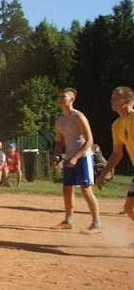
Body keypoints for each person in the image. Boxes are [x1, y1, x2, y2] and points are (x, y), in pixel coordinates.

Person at [50, 87, 101, 234]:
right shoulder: (59, 121)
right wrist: (57, 155)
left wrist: (76, 157)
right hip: (69, 157)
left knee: (86, 189)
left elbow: (90, 140)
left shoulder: (78, 116)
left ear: (71, 99)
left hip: (84, 157)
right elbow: (60, 141)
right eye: (59, 96)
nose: (60, 99)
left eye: (64, 96)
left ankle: (96, 223)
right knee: (67, 188)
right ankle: (68, 221)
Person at [96, 86, 134, 223]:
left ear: (127, 101)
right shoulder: (116, 125)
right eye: (112, 98)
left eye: (116, 98)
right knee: (128, 208)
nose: (111, 100)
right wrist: (103, 174)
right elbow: (117, 153)